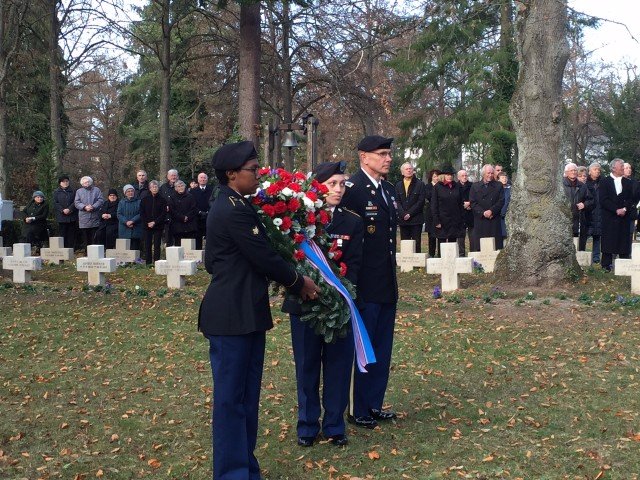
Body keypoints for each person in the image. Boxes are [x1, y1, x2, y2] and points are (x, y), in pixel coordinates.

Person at [198, 140, 319, 480]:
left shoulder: (236, 204)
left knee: (246, 398)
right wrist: (299, 282)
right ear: (232, 174)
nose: (258, 175)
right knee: (231, 401)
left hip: (245, 313)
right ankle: (232, 473)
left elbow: (212, 261)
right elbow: (262, 257)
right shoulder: (232, 208)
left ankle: (245, 468)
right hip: (230, 317)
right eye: (253, 170)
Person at [282, 161, 364, 448]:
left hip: (339, 308)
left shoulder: (352, 222)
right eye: (332, 184)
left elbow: (353, 266)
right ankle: (307, 425)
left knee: (338, 368)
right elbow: (289, 260)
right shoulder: (298, 219)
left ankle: (334, 425)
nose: (339, 189)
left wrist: (339, 296)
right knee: (306, 367)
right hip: (304, 305)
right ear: (318, 187)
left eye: (342, 184)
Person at [340, 134, 398, 430]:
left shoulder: (387, 189)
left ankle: (374, 402)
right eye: (382, 154)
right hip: (363, 283)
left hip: (386, 282)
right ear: (364, 156)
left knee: (381, 346)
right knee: (362, 348)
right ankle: (357, 407)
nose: (388, 158)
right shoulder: (352, 189)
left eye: (389, 153)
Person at [600, 158, 638, 271]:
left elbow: (632, 198)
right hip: (609, 216)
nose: (623, 167)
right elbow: (603, 199)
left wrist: (625, 209)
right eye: (621, 166)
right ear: (613, 168)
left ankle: (624, 264)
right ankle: (606, 265)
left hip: (624, 217)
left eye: (623, 165)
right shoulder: (604, 182)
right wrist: (616, 209)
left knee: (624, 240)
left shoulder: (628, 182)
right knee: (608, 240)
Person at [469, 164, 504, 251]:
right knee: (481, 247)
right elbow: (473, 203)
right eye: (488, 173)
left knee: (495, 247)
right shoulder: (475, 186)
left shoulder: (498, 185)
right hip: (481, 220)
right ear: (483, 173)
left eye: (492, 173)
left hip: (494, 220)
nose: (490, 175)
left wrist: (491, 211)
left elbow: (501, 201)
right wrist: (483, 212)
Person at [431, 164, 464, 253]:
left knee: (452, 244)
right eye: (447, 174)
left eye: (451, 175)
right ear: (443, 175)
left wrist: (461, 218)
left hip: (454, 220)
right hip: (442, 220)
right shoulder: (437, 187)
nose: (449, 176)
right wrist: (436, 221)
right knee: (442, 244)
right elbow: (434, 205)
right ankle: (441, 263)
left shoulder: (457, 186)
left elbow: (460, 203)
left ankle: (452, 263)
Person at [395, 162, 425, 253]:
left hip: (416, 219)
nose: (409, 170)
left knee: (416, 242)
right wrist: (403, 213)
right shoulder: (398, 185)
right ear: (402, 172)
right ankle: (406, 262)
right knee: (405, 242)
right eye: (406, 169)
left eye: (410, 168)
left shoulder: (420, 184)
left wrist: (410, 213)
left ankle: (417, 263)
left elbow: (421, 201)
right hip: (403, 219)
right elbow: (397, 201)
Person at [562, 163, 593, 251]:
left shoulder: (582, 186)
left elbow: (591, 200)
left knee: (578, 242)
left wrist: (584, 204)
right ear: (566, 172)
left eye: (575, 170)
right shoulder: (561, 185)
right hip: (564, 217)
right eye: (571, 170)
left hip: (579, 218)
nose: (573, 172)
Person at [74, 176, 104, 252]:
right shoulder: (79, 191)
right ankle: (86, 252)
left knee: (94, 237)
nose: (86, 183)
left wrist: (93, 207)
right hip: (84, 218)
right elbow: (76, 202)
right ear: (82, 183)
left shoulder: (97, 190)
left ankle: (95, 253)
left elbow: (100, 200)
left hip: (94, 216)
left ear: (90, 182)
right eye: (84, 182)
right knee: (85, 237)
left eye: (88, 182)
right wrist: (84, 207)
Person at [140, 180, 167, 265]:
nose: (154, 188)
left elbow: (163, 214)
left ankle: (156, 262)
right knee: (147, 245)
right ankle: (148, 263)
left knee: (157, 245)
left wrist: (154, 222)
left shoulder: (163, 200)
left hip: (158, 226)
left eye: (156, 187)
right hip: (147, 226)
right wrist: (148, 222)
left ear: (158, 188)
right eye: (153, 187)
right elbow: (142, 213)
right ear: (150, 188)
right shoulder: (144, 200)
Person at [168, 180, 198, 246]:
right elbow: (172, 210)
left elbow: (194, 209)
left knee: (189, 248)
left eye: (182, 186)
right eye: (179, 186)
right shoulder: (172, 198)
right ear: (176, 188)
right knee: (179, 247)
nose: (181, 188)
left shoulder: (190, 196)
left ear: (185, 187)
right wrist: (182, 217)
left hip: (190, 226)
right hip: (178, 227)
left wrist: (187, 217)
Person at [53, 175, 78, 250]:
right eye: (63, 181)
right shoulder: (56, 192)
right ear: (60, 183)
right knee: (62, 234)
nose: (65, 183)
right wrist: (62, 210)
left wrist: (69, 209)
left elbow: (75, 201)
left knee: (71, 234)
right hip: (61, 216)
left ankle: (71, 249)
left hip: (71, 216)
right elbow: (55, 203)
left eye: (67, 181)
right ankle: (62, 250)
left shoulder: (73, 191)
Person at [585, 162, 602, 264]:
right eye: (595, 169)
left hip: (599, 212)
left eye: (599, 170)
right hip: (588, 212)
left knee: (597, 236)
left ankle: (596, 258)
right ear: (590, 171)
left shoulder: (602, 183)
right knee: (586, 235)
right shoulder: (585, 182)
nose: (597, 171)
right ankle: (582, 255)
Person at [190, 172, 213, 250]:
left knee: (210, 237)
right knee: (197, 238)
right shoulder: (193, 191)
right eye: (201, 178)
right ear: (198, 180)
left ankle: (209, 256)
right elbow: (192, 204)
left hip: (209, 217)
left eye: (204, 178)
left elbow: (214, 202)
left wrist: (208, 212)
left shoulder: (212, 190)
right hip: (197, 217)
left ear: (207, 179)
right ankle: (198, 256)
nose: (203, 179)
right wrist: (199, 212)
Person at [117, 185, 142, 251]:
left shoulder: (139, 202)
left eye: (132, 191)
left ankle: (136, 261)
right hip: (124, 228)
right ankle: (125, 261)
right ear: (125, 193)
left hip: (136, 228)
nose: (130, 193)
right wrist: (126, 222)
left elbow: (141, 213)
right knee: (125, 250)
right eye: (128, 191)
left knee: (135, 249)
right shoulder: (121, 202)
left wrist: (132, 221)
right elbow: (119, 214)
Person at [160, 169, 179, 246]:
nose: (173, 177)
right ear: (168, 177)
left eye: (175, 175)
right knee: (168, 239)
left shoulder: (181, 186)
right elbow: (160, 200)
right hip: (167, 217)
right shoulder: (163, 187)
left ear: (177, 176)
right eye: (172, 175)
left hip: (178, 217)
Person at [424, 169, 440, 257]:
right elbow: (429, 196)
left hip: (440, 214)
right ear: (431, 178)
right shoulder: (428, 187)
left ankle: (440, 254)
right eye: (434, 176)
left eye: (437, 176)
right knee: (431, 236)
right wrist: (436, 188)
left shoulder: (442, 186)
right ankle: (431, 254)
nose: (436, 178)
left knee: (441, 236)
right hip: (430, 214)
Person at [457, 169, 473, 256]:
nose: (465, 177)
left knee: (472, 237)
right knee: (460, 237)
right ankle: (461, 255)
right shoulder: (455, 186)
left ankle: (473, 254)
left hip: (470, 213)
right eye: (462, 176)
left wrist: (470, 203)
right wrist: (462, 204)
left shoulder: (472, 185)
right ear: (458, 177)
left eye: (466, 175)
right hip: (460, 215)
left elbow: (475, 197)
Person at [498, 172, 511, 240]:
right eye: (502, 177)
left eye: (506, 177)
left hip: (508, 214)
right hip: (499, 215)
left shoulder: (510, 189)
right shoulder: (496, 189)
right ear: (499, 179)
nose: (505, 179)